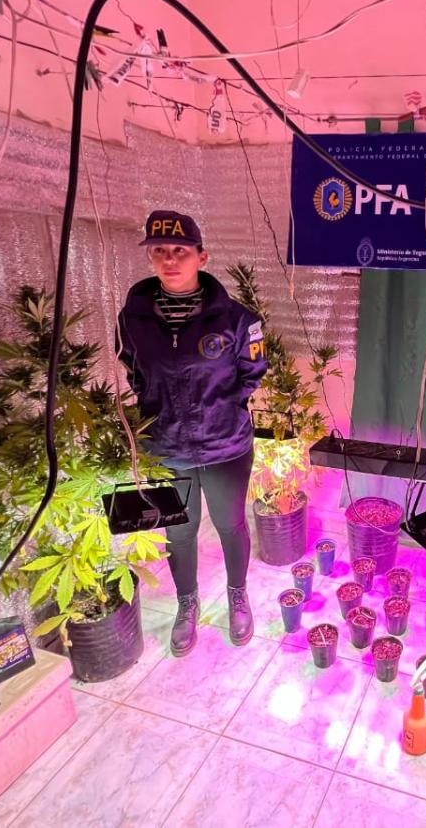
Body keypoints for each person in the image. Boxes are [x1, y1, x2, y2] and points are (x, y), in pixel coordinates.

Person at [117, 210, 267, 654]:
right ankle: (187, 604)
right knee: (179, 532)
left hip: (226, 447)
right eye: (160, 251)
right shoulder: (133, 318)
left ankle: (237, 595)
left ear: (202, 256)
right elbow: (134, 372)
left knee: (230, 524)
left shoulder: (237, 319)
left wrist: (220, 412)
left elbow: (252, 373)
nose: (169, 259)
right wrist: (159, 411)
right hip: (166, 447)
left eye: (180, 251)